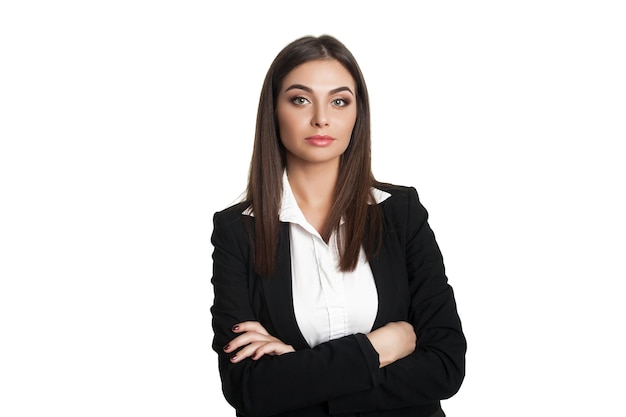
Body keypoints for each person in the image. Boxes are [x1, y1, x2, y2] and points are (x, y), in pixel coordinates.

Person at [210, 34, 466, 417]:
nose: (321, 117)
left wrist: (301, 375)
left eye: (339, 101)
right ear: (274, 110)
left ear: (356, 113)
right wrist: (379, 348)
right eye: (300, 99)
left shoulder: (402, 213)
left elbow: (445, 367)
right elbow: (249, 389)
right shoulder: (237, 231)